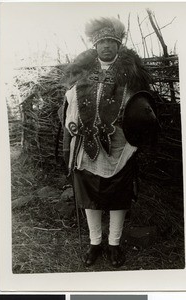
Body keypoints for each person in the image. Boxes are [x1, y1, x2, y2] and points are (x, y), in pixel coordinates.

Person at [61, 17, 153, 268]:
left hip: (119, 146)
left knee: (118, 196)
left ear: (118, 45)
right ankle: (94, 243)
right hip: (87, 145)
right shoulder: (82, 76)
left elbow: (141, 108)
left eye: (111, 42)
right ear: (95, 46)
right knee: (90, 196)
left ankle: (114, 245)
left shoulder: (130, 77)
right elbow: (71, 105)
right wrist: (73, 131)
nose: (106, 47)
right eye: (102, 42)